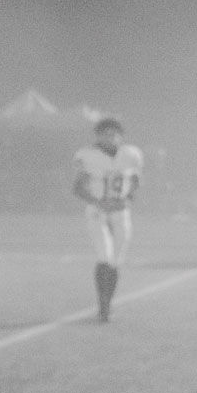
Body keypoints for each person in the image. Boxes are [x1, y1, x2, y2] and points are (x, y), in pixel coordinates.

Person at [72, 117, 143, 322]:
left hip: (121, 211)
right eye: (105, 134)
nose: (110, 138)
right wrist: (98, 202)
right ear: (98, 136)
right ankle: (103, 305)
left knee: (115, 261)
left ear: (121, 136)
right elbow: (77, 188)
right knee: (104, 256)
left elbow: (135, 181)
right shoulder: (87, 156)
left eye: (114, 134)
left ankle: (108, 303)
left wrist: (128, 199)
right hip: (98, 211)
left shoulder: (131, 155)